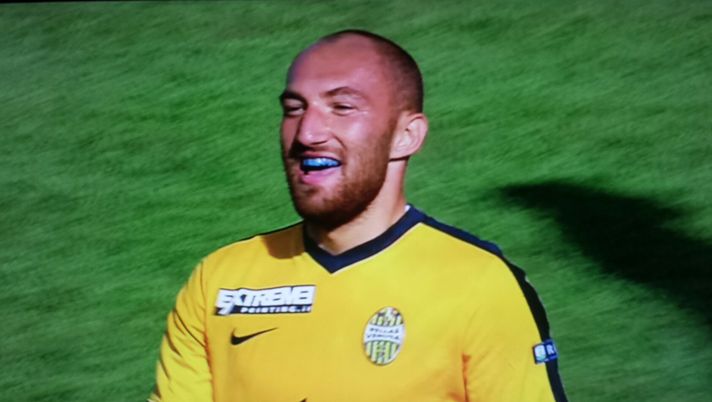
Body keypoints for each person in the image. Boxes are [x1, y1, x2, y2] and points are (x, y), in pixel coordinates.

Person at [150, 29, 567, 402]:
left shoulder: (480, 285)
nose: (307, 133)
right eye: (294, 109)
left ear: (406, 136)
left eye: (342, 107)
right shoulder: (220, 281)